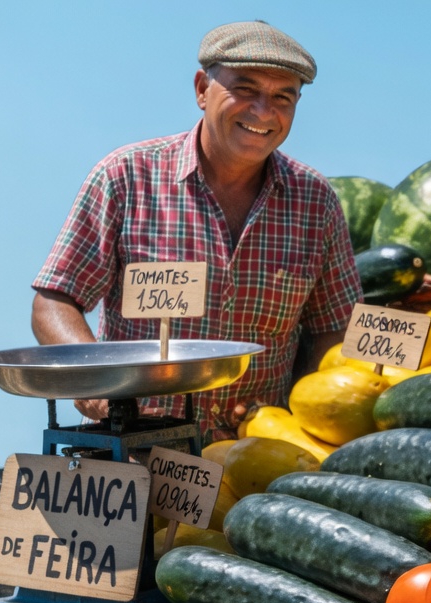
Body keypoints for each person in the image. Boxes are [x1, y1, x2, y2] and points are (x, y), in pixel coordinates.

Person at [30, 21, 361, 443]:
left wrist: (305, 410)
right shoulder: (127, 176)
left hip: (258, 458)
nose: (264, 111)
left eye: (283, 97)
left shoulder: (315, 202)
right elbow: (54, 301)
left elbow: (335, 328)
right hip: (135, 450)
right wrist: (95, 382)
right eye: (245, 89)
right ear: (202, 89)